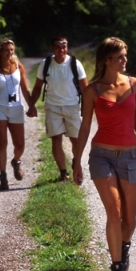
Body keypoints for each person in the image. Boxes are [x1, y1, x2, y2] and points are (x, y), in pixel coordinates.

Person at [73, 37, 136, 271]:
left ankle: (124, 246)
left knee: (130, 219)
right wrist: (76, 160)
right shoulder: (92, 90)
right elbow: (85, 126)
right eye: (120, 56)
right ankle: (117, 270)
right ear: (107, 60)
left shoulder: (134, 84)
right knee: (114, 211)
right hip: (101, 156)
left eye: (125, 56)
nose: (124, 60)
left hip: (129, 156)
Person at [27, 35, 88, 182]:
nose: (62, 49)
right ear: (53, 48)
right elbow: (37, 87)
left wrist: (88, 110)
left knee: (76, 140)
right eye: (59, 47)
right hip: (52, 106)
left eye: (65, 46)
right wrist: (31, 105)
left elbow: (85, 89)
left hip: (72, 106)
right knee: (56, 139)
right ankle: (63, 173)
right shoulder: (46, 64)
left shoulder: (75, 64)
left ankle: (77, 164)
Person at [0, 38, 32, 190]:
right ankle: (3, 176)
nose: (9, 53)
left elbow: (24, 89)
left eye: (11, 50)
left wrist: (32, 106)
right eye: (6, 50)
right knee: (2, 142)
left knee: (20, 145)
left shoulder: (18, 66)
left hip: (16, 108)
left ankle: (16, 162)